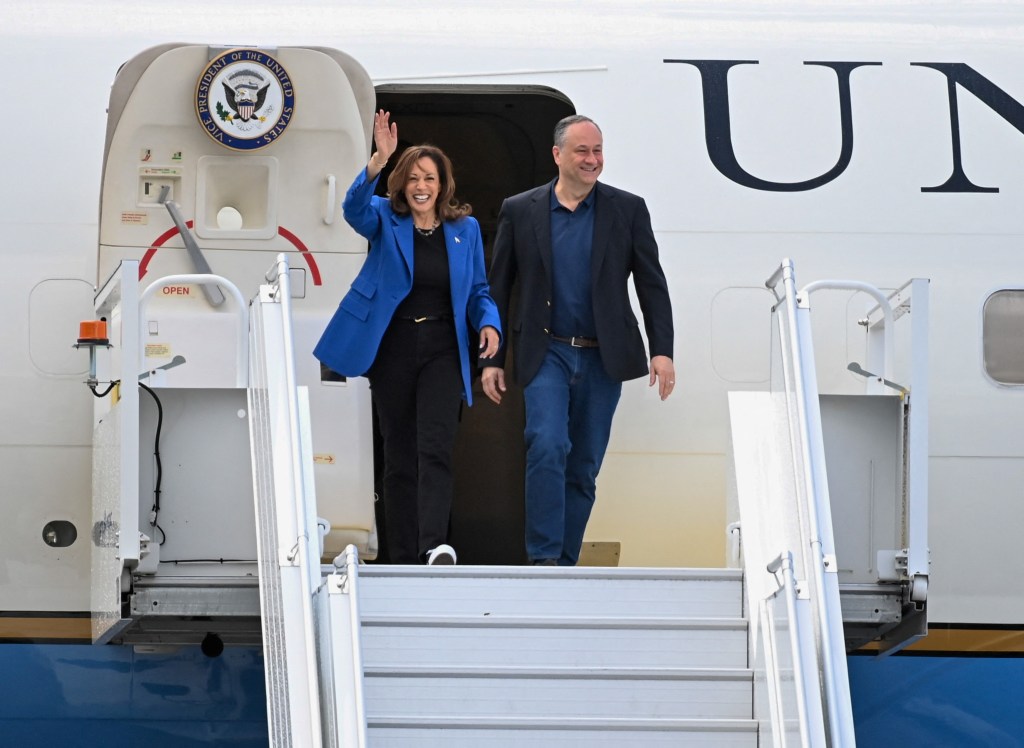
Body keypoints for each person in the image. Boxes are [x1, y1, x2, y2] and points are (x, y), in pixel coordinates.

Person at [481, 114, 675, 567]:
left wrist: (662, 350)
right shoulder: (521, 209)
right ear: (558, 155)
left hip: (603, 356)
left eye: (598, 151)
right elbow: (497, 287)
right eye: (582, 151)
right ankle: (544, 560)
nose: (592, 160)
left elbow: (651, 284)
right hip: (545, 351)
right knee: (547, 444)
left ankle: (564, 564)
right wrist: (491, 359)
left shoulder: (628, 210)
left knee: (583, 466)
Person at [315, 111, 501, 566]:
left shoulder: (465, 230)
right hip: (393, 349)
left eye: (431, 178)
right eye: (414, 177)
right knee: (398, 454)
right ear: (402, 183)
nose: (422, 186)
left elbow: (478, 289)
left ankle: (434, 545)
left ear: (443, 184)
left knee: (434, 446)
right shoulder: (384, 216)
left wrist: (490, 322)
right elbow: (352, 209)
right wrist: (377, 161)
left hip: (442, 348)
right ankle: (400, 553)